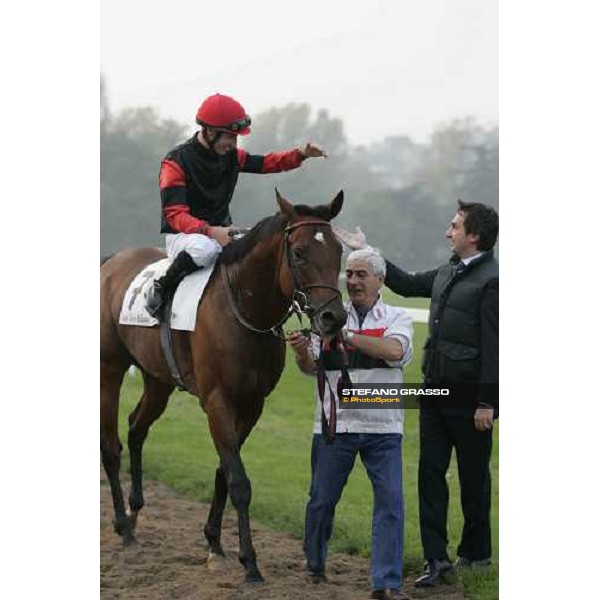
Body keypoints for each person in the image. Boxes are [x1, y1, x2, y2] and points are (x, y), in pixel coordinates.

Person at [334, 200, 499, 588]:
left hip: (471, 398)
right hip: (434, 390)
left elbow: (496, 346)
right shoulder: (447, 271)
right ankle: (436, 559)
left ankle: (476, 554)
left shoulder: (494, 279)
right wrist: (369, 250)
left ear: (473, 235)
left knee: (473, 478)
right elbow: (406, 283)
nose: (448, 231)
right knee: (429, 476)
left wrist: (489, 402)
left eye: (455, 226)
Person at [288, 247, 414, 600]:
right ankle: (314, 564)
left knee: (390, 503)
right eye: (350, 274)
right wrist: (301, 350)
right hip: (334, 426)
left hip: (383, 428)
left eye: (362, 274)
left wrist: (346, 337)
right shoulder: (326, 316)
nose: (353, 281)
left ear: (380, 280)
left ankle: (386, 582)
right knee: (321, 501)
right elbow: (311, 366)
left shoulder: (397, 317)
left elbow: (393, 351)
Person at [146, 92, 327, 319]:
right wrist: (210, 231)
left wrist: (300, 154)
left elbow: (266, 163)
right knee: (205, 249)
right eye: (230, 137)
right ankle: (162, 287)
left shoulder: (231, 156)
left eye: (236, 138)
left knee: (261, 246)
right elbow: (174, 215)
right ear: (210, 132)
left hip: (221, 232)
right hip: (184, 236)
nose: (233, 144)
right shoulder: (175, 162)